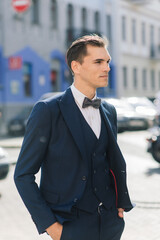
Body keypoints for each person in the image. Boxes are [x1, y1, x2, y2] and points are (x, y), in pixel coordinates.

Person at [14, 34, 134, 240]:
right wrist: (51, 226)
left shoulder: (109, 110)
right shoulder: (47, 111)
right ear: (76, 67)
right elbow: (23, 175)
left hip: (110, 225)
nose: (107, 68)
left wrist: (120, 205)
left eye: (107, 62)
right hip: (69, 226)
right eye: (98, 62)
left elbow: (112, 161)